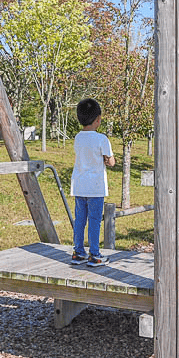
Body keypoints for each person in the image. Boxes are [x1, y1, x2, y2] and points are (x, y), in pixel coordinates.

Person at [70, 98, 116, 267]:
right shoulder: (102, 139)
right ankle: (94, 254)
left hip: (79, 185)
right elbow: (110, 162)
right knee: (94, 220)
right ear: (98, 119)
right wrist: (107, 159)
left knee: (80, 220)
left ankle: (78, 252)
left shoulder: (78, 137)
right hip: (95, 187)